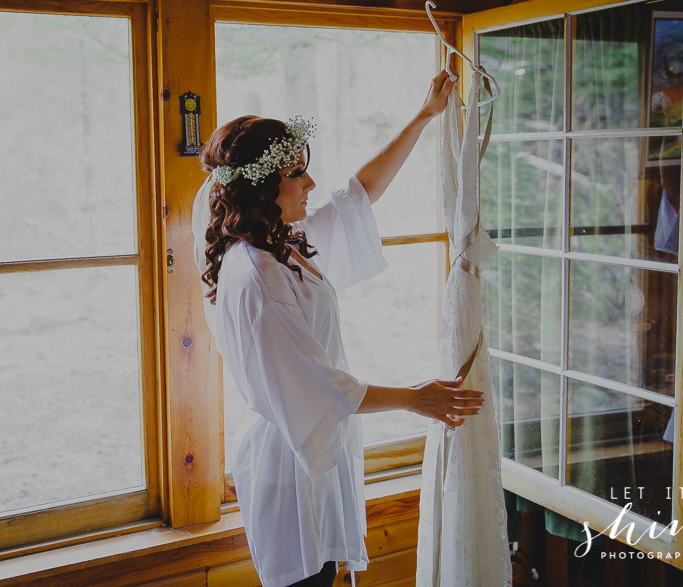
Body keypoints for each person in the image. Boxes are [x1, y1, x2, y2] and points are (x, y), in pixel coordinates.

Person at [191, 71, 485, 587]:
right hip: (293, 462)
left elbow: (357, 196)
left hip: (313, 448)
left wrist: (423, 117)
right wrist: (415, 398)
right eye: (296, 174)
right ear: (263, 185)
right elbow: (314, 386)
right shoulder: (258, 276)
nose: (308, 183)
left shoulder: (277, 241)